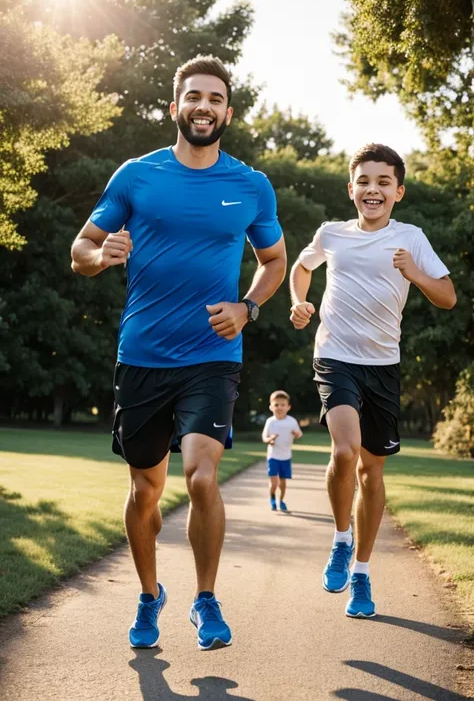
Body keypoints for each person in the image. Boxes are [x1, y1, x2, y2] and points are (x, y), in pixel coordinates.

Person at [71, 55, 286, 650]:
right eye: (194, 96)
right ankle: (148, 596)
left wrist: (248, 307)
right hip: (142, 354)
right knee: (145, 489)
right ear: (175, 107)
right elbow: (80, 250)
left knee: (201, 477)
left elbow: (274, 263)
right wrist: (101, 255)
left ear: (228, 113)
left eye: (215, 98)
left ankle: (206, 600)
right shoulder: (137, 176)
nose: (204, 106)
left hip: (212, 354)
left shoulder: (250, 185)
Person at [289, 143, 456, 618]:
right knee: (344, 451)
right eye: (364, 181)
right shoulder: (331, 234)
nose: (373, 189)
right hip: (335, 356)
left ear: (398, 191)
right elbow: (302, 269)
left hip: (383, 366)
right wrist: (299, 302)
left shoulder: (412, 238)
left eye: (384, 182)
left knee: (371, 471)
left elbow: (447, 297)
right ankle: (342, 539)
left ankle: (361, 573)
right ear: (351, 189)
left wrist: (415, 272)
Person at [262, 390, 303, 511]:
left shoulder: (292, 421)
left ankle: (282, 501)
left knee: (283, 483)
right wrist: (270, 439)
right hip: (273, 456)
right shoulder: (270, 422)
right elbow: (264, 438)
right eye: (276, 405)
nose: (279, 407)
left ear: (288, 407)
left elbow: (300, 434)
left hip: (286, 457)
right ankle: (273, 498)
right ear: (271, 407)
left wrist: (296, 434)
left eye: (282, 405)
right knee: (274, 483)